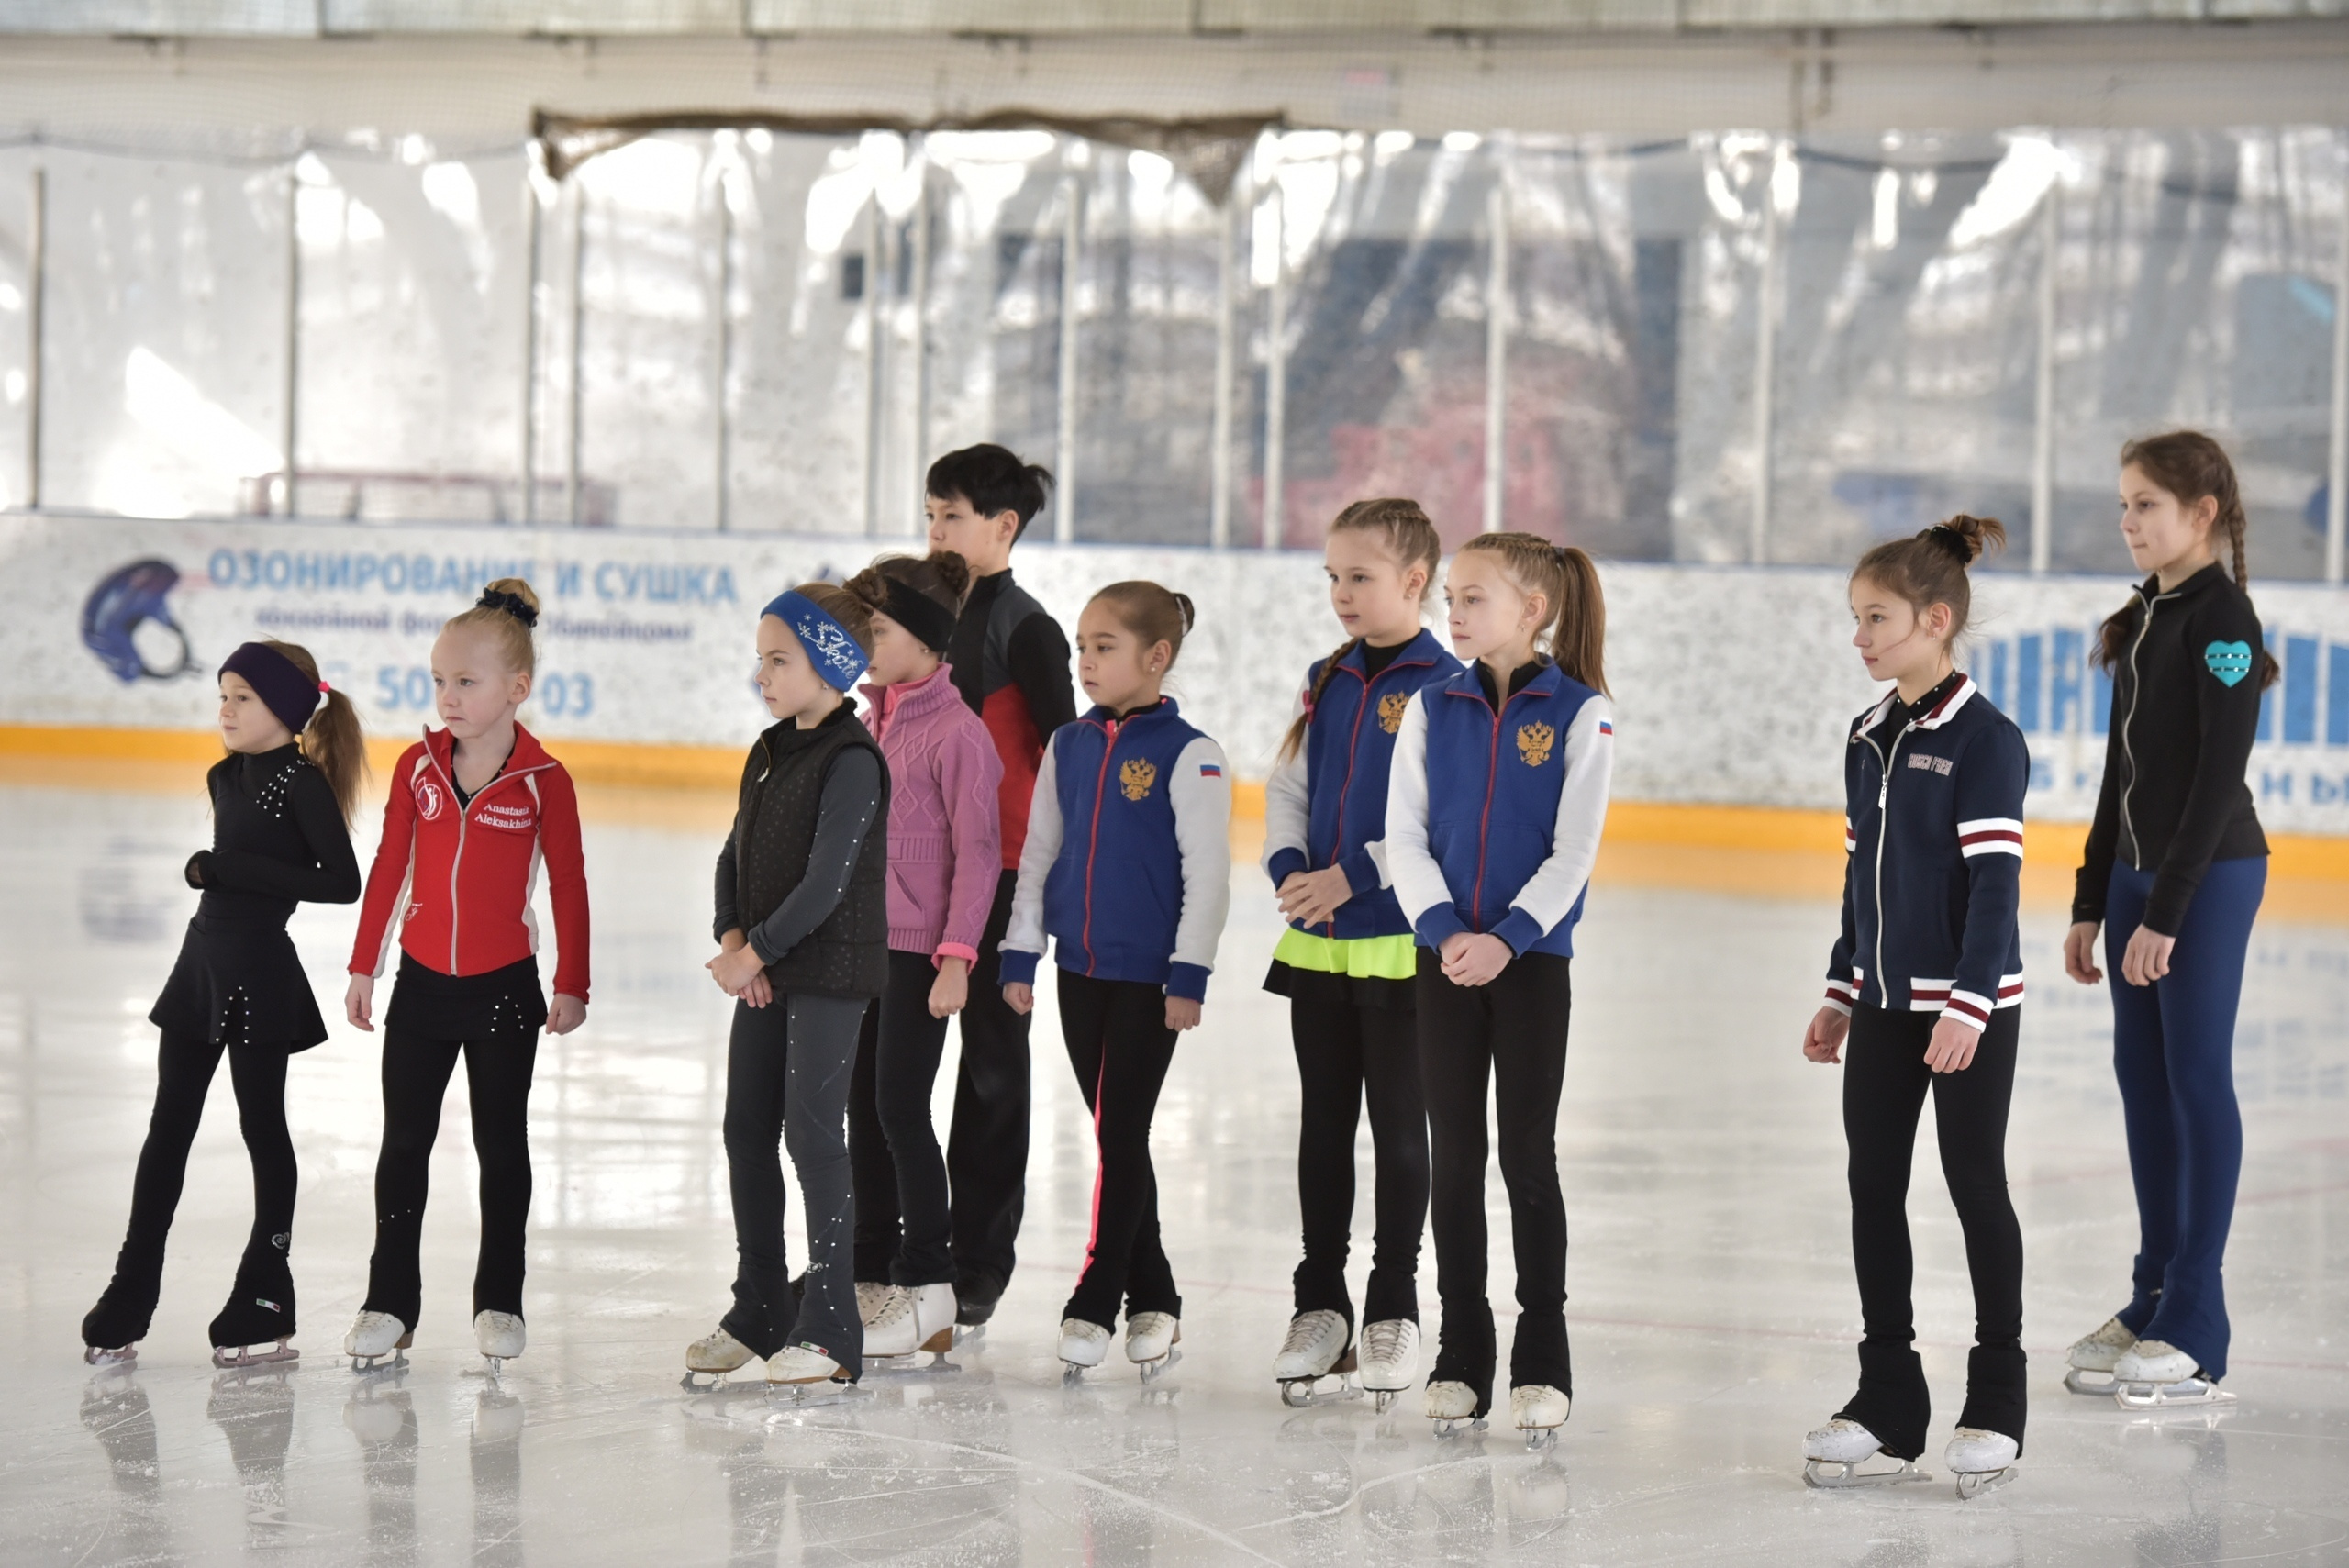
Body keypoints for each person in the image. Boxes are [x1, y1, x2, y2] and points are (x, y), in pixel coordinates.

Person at [1798, 517, 2031, 1498]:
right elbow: (1863, 879)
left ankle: (1997, 1398)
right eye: (1855, 620)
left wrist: (1969, 1005)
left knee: (1975, 1184)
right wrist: (1841, 989)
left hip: (1966, 1008)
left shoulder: (1985, 740)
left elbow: (1994, 891)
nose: (1861, 638)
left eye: (1878, 619)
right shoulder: (1867, 735)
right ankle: (1888, 1396)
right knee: (1871, 1186)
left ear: (1936, 620)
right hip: (1887, 1007)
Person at [1385, 532, 1613, 1448]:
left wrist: (1508, 939)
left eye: (1474, 596)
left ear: (1533, 609)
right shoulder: (1430, 707)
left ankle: (1543, 1352)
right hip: (1443, 962)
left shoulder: (1581, 713)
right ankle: (1461, 1349)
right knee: (1454, 1156)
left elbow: (1575, 850)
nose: (1455, 610)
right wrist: (1445, 932)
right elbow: (1403, 834)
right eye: (1451, 594)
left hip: (1529, 968)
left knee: (1525, 1153)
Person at [2059, 432, 2272, 1409]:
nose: (2129, 522)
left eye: (2146, 503)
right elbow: (2119, 776)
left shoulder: (2221, 619)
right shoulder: (2143, 616)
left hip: (2209, 877)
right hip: (2140, 884)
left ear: (2204, 512)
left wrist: (2170, 911)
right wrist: (2091, 899)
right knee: (2142, 1084)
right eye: (2123, 504)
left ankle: (2197, 1315)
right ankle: (2151, 1294)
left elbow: (2215, 774)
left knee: (2193, 1078)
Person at [81, 640, 364, 1368]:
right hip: (202, 964)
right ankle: (129, 1289)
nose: (226, 710)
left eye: (242, 697)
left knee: (261, 1124)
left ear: (287, 709)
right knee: (167, 1126)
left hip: (260, 974)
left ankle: (266, 1292)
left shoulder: (301, 783)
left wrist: (231, 868)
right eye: (223, 695)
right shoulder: (224, 775)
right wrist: (218, 873)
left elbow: (342, 881)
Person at [343, 580, 591, 1373]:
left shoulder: (546, 779)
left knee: (501, 1146)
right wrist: (363, 965)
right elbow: (389, 864)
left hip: (503, 992)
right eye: (438, 681)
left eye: (466, 681)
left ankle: (499, 1301)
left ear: (518, 689)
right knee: (403, 1146)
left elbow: (569, 882)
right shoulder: (417, 766)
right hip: (421, 986)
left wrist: (571, 980)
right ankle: (389, 1303)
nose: (447, 697)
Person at [999, 581, 1231, 1382]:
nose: (1086, 660)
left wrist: (1188, 972)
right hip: (1079, 972)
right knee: (1113, 1130)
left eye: (1104, 646)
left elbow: (1208, 875)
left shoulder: (1191, 754)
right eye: (1081, 646)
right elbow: (1038, 853)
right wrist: (1021, 952)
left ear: (1156, 657)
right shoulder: (1069, 743)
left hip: (1149, 981)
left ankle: (1098, 1293)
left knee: (1122, 1132)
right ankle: (1157, 1293)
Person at [1260, 498, 1459, 1410]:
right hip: (1321, 941)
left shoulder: (1446, 685)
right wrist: (1291, 866)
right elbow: (1291, 780)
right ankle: (1319, 1302)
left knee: (1398, 1128)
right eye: (1332, 576)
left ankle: (1392, 1300)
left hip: (1396, 939)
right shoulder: (1326, 676)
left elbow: (1440, 820)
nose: (1340, 592)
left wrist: (1351, 878)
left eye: (1360, 576)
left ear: (1414, 581)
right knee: (1322, 1123)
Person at [686, 584, 889, 1390]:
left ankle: (833, 1323)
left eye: (779, 659)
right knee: (745, 1128)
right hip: (769, 969)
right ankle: (761, 1305)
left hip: (830, 974)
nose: (762, 674)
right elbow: (731, 857)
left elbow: (828, 881)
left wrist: (756, 952)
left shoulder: (853, 760)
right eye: (759, 658)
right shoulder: (769, 748)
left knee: (812, 1134)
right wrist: (736, 940)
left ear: (830, 664)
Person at [922, 443, 1077, 1327]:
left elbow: (1069, 754)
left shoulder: (1025, 627)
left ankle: (979, 1261)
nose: (938, 530)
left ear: (1003, 526)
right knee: (901, 1068)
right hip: (916, 876)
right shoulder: (921, 609)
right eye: (931, 514)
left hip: (1002, 874)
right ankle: (911, 1246)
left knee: (989, 1067)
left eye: (953, 516)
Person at [837, 553, 1003, 1362]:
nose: (864, 643)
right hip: (860, 951)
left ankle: (928, 1277)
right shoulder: (871, 721)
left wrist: (957, 956)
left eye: (879, 629)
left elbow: (979, 853)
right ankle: (869, 1270)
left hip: (919, 957)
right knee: (861, 1111)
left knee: (901, 1108)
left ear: (930, 639)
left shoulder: (958, 734)